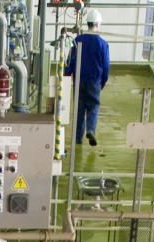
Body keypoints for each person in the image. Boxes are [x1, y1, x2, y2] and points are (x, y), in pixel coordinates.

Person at [63, 10, 111, 148]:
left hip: (78, 80)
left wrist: (67, 77)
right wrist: (103, 81)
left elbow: (70, 61)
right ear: (97, 24)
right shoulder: (102, 44)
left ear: (88, 23)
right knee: (93, 106)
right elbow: (106, 65)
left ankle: (77, 139)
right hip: (94, 81)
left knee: (78, 109)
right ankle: (90, 130)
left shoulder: (78, 40)